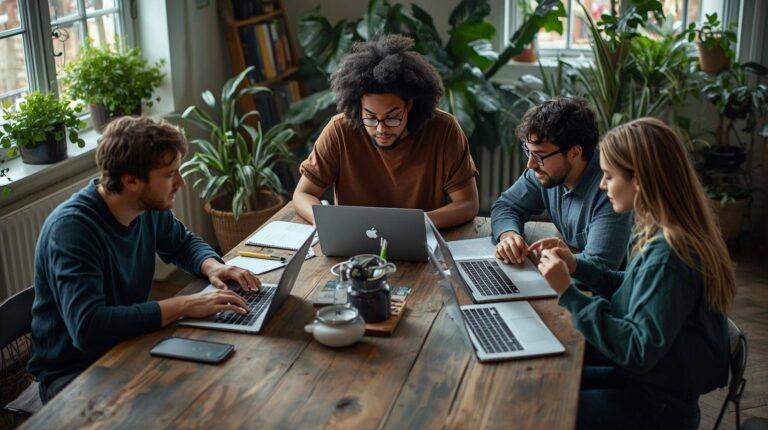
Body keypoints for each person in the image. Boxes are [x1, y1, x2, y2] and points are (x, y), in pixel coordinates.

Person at [29, 116, 261, 403]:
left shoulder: (145, 208)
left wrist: (213, 266)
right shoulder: (72, 230)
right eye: (169, 175)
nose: (181, 182)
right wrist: (185, 305)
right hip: (73, 373)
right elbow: (88, 328)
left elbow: (182, 243)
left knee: (223, 383)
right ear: (131, 180)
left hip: (128, 343)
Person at [533, 117, 736, 429]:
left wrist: (568, 293)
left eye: (608, 176)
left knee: (541, 407)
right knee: (545, 380)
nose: (602, 185)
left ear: (639, 180)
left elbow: (637, 349)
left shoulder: (670, 255)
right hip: (644, 382)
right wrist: (576, 265)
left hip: (657, 407)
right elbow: (632, 287)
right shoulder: (660, 231)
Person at [293, 34, 479, 228]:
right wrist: (325, 221)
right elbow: (303, 193)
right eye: (370, 117)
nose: (380, 129)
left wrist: (415, 224)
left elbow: (467, 204)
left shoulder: (444, 130)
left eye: (392, 117)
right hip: (355, 243)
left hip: (424, 238)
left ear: (409, 105)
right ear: (359, 106)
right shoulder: (339, 131)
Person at [491, 97, 632, 269]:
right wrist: (509, 237)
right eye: (529, 152)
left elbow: (600, 267)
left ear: (574, 153)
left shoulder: (611, 191)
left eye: (539, 155)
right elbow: (506, 205)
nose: (531, 164)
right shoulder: (545, 172)